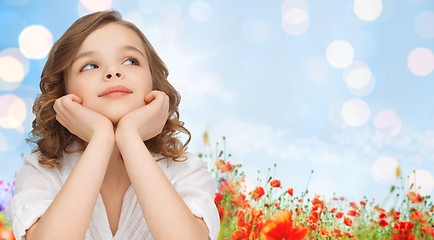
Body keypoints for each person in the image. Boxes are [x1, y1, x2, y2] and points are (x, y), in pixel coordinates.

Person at [7, 10, 220, 240]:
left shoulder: (184, 170)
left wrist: (129, 136)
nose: (113, 72)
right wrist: (101, 137)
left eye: (131, 61)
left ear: (153, 82)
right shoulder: (42, 172)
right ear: (64, 92)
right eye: (90, 66)